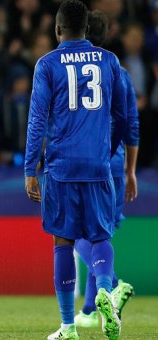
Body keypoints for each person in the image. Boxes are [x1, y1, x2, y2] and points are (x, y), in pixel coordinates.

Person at [23, 1, 128, 339]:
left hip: (61, 167)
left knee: (63, 242)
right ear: (86, 28)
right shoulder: (109, 61)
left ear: (57, 29)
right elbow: (122, 117)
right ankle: (104, 290)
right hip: (98, 166)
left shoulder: (47, 63)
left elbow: (37, 119)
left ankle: (68, 326)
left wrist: (29, 167)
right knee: (100, 236)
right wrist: (106, 152)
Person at [73, 10, 138, 329]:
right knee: (102, 234)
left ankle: (111, 285)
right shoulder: (119, 70)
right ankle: (89, 310)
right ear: (107, 35)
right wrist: (130, 169)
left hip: (83, 158)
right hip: (115, 159)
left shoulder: (70, 71)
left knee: (79, 233)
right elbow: (131, 122)